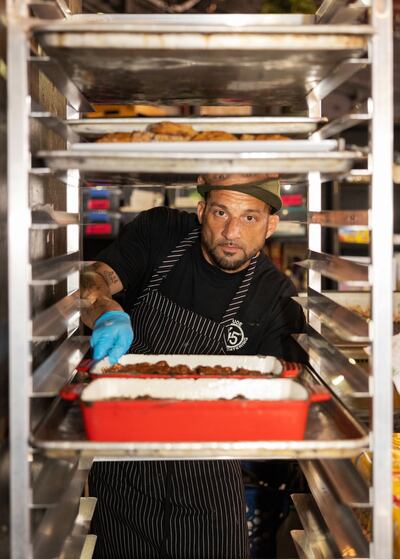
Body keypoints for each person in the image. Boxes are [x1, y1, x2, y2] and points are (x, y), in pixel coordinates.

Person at [80, 173, 307, 559]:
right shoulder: (161, 232)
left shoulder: (275, 299)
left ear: (271, 225)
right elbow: (90, 279)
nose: (231, 231)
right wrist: (105, 311)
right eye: (220, 212)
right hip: (121, 457)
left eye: (249, 218)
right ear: (201, 210)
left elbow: (284, 398)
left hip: (207, 476)